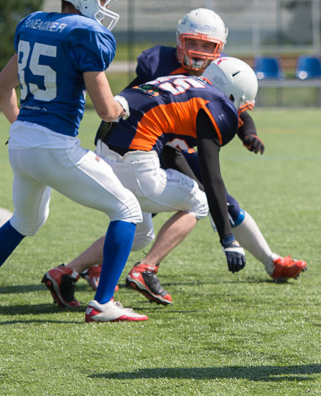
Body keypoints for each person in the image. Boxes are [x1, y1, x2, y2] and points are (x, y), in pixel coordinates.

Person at [0, 0, 148, 322]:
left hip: (21, 144)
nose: (105, 7)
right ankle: (103, 302)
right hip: (55, 145)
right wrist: (123, 106)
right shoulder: (86, 34)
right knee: (127, 210)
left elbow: (1, 88)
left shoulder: (33, 23)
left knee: (26, 222)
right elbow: (106, 110)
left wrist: (22, 129)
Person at [87, 7, 305, 282]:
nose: (200, 51)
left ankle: (270, 260)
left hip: (177, 147)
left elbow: (235, 108)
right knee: (150, 211)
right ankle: (109, 267)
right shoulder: (159, 64)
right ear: (179, 40)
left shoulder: (221, 72)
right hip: (146, 145)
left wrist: (248, 132)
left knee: (216, 204)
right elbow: (133, 99)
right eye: (193, 42)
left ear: (219, 49)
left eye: (207, 45)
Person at [43, 56, 265, 307]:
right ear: (233, 94)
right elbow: (212, 176)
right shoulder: (217, 103)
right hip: (134, 155)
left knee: (139, 234)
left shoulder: (185, 83)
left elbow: (172, 151)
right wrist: (228, 239)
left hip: (106, 146)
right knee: (199, 203)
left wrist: (195, 187)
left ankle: (65, 274)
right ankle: (146, 270)